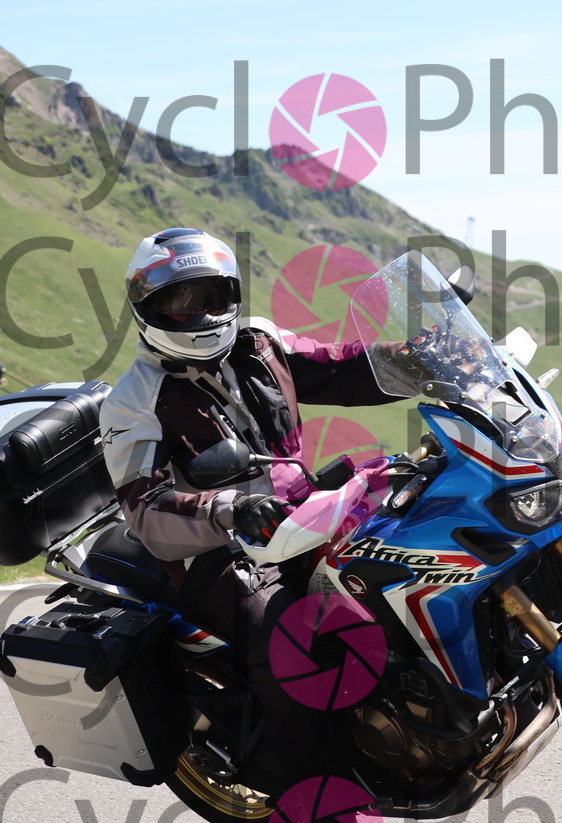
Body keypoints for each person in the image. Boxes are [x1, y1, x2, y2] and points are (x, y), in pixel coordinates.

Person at [99, 227, 400, 794]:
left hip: (302, 515)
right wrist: (228, 509)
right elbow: (146, 509)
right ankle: (305, 782)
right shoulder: (132, 400)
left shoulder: (260, 342)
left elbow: (342, 366)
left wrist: (420, 357)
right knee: (289, 641)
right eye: (181, 302)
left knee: (401, 565)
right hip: (219, 551)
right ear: (147, 307)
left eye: (212, 296)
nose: (201, 314)